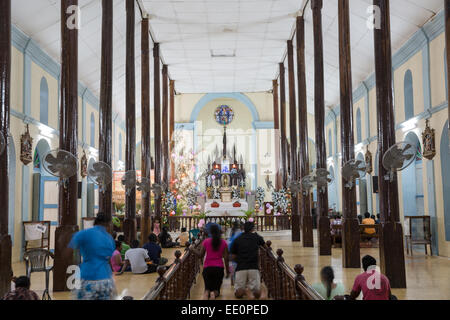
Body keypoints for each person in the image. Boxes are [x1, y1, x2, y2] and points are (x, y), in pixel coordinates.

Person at [69, 212, 117, 300]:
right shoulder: (109, 238)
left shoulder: (84, 234)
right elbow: (109, 260)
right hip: (106, 280)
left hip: (87, 278)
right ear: (108, 224)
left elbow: (69, 249)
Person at [192, 224, 229, 300]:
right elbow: (226, 258)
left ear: (210, 232)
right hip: (219, 269)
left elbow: (200, 255)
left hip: (207, 269)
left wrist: (192, 249)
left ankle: (206, 294)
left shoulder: (206, 241)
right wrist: (227, 271)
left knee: (207, 289)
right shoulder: (223, 242)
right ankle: (213, 294)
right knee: (216, 290)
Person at [230, 221, 265, 299]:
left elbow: (232, 256)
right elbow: (265, 246)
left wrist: (239, 261)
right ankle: (254, 290)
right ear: (253, 229)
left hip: (241, 267)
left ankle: (245, 291)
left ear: (243, 228)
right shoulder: (256, 237)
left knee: (238, 294)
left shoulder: (237, 239)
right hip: (253, 267)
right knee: (256, 293)